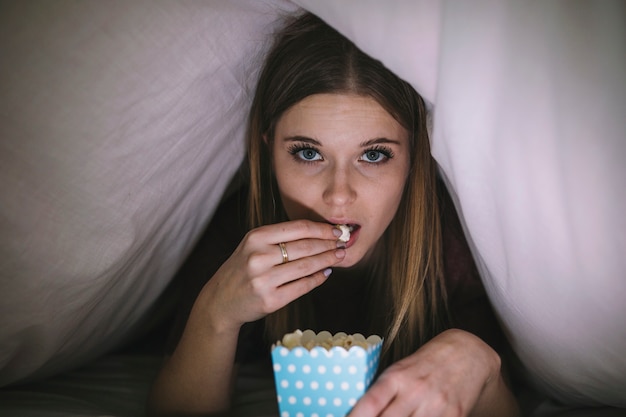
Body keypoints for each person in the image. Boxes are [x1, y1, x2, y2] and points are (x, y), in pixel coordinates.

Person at [147, 12, 521, 417]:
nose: (339, 197)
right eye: (308, 153)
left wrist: (477, 361)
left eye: (374, 155)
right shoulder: (239, 236)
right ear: (270, 149)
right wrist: (216, 314)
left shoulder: (453, 245)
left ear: (413, 157)